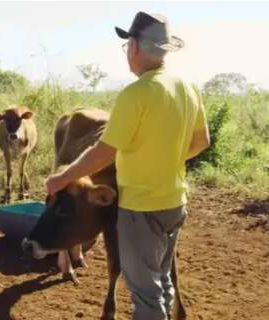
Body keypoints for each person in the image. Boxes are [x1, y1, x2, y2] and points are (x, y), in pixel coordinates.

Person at [45, 11, 210, 320]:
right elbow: (202, 142)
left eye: (127, 48)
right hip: (175, 203)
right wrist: (165, 160)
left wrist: (62, 178)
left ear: (134, 46)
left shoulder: (136, 94)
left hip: (141, 209)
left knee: (145, 294)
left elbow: (103, 152)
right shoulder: (188, 87)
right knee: (161, 281)